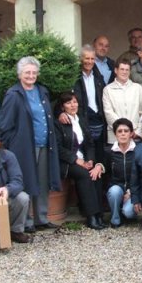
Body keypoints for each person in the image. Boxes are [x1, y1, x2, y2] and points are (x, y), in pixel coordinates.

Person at [0, 56, 61, 232]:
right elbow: (4, 125)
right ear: (20, 74)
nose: (31, 75)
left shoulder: (42, 91)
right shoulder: (13, 94)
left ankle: (41, 218)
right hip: (23, 148)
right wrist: (15, 144)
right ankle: (25, 220)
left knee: (42, 182)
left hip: (44, 144)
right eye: (27, 72)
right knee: (25, 183)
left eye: (34, 72)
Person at [54, 91, 105, 230]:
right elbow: (58, 148)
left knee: (96, 175)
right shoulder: (59, 122)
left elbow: (89, 143)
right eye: (69, 102)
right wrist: (76, 160)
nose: (73, 105)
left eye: (75, 102)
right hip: (67, 162)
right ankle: (91, 216)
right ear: (63, 106)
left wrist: (90, 160)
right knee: (84, 175)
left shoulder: (81, 119)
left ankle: (99, 214)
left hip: (83, 158)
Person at [70, 45, 107, 168]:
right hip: (82, 119)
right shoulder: (74, 77)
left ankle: (99, 186)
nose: (89, 62)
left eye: (92, 59)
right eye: (87, 58)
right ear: (81, 59)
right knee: (87, 157)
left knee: (99, 158)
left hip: (98, 120)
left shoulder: (98, 77)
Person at [102, 58, 142, 144]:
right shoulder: (108, 90)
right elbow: (108, 113)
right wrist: (123, 131)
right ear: (116, 70)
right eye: (122, 69)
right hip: (115, 138)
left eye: (127, 70)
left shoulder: (138, 88)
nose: (124, 72)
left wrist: (138, 131)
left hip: (135, 136)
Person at [106, 118, 137, 228]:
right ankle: (115, 219)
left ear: (131, 133)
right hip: (116, 188)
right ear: (115, 134)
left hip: (134, 191)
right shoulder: (109, 152)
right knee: (114, 191)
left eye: (126, 131)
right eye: (120, 131)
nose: (123, 134)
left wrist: (131, 192)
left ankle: (125, 211)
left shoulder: (138, 150)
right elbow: (107, 174)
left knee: (128, 213)